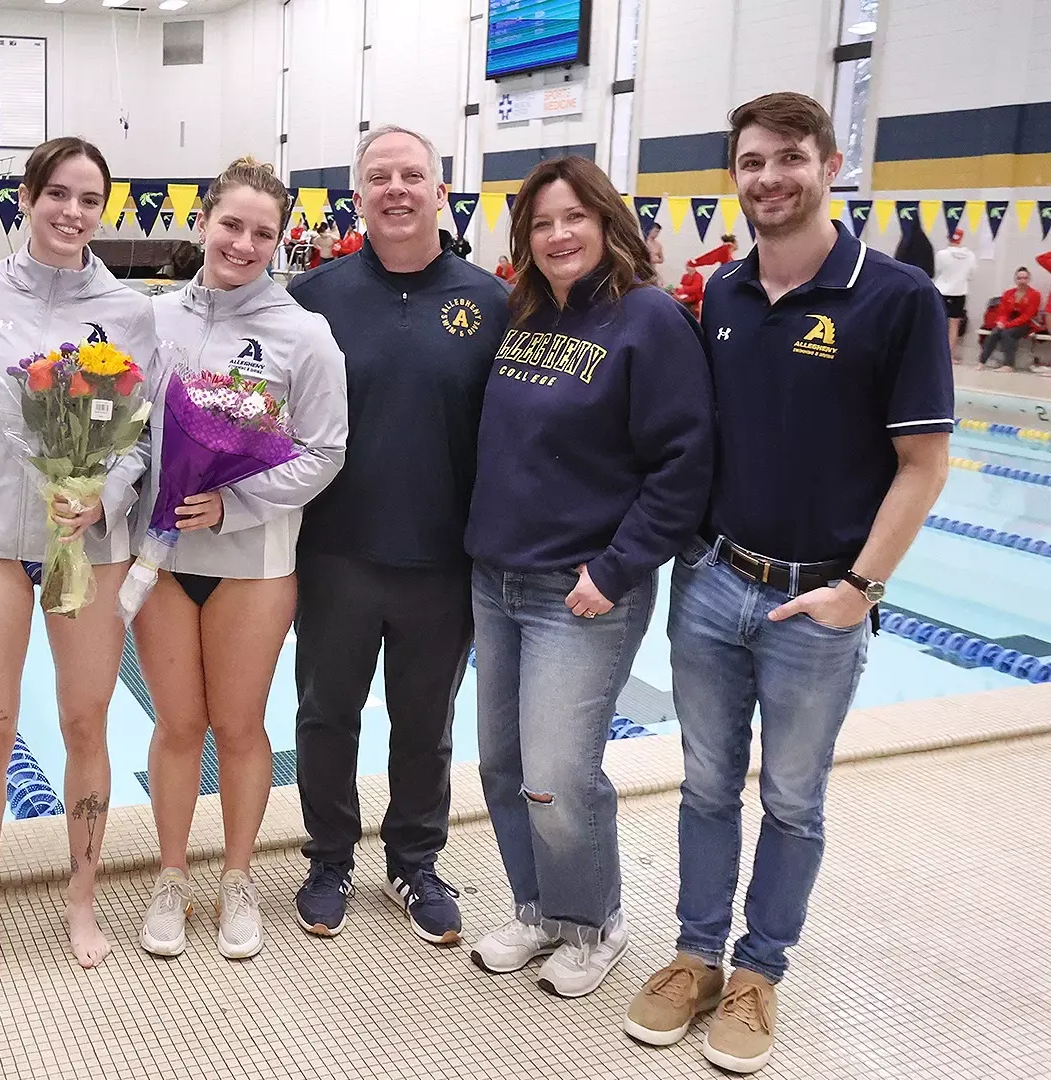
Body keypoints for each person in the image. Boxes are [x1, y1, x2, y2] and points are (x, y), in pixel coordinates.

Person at [623, 92, 951, 1075]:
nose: (769, 178)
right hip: (717, 581)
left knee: (794, 802)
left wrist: (860, 586)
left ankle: (760, 972)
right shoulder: (721, 294)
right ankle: (695, 955)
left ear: (831, 160)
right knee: (708, 787)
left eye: (789, 158)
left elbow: (924, 466)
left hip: (821, 600)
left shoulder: (896, 299)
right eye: (752, 162)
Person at [464, 155, 712, 1000]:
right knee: (502, 764)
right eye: (541, 223)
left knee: (559, 775)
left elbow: (685, 464)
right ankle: (537, 908)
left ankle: (594, 920)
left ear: (608, 223)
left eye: (574, 217)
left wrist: (616, 568)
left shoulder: (649, 320)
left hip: (579, 592)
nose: (558, 235)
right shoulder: (528, 313)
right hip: (496, 577)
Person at [0, 136, 157, 982]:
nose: (73, 212)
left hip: (91, 545)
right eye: (57, 194)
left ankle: (80, 897)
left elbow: (142, 434)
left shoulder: (130, 308)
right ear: (26, 197)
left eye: (89, 199)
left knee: (84, 724)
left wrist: (108, 494)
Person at [287, 125, 510, 945]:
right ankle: (329, 857)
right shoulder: (315, 296)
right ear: (359, 195)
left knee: (425, 722)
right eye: (378, 176)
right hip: (336, 551)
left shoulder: (491, 301)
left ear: (439, 191)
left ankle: (416, 862)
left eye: (412, 174)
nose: (396, 189)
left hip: (443, 560)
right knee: (326, 713)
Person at [133, 157, 348, 961]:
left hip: (253, 561)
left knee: (239, 723)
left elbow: (327, 450)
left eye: (264, 232)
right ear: (203, 222)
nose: (245, 242)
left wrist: (237, 502)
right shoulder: (153, 320)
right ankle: (171, 877)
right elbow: (126, 429)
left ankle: (237, 878)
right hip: (160, 552)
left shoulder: (304, 336)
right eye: (232, 224)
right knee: (178, 725)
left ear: (280, 240)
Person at [977, 266, 1042, 372]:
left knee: (1006, 333)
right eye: (1020, 278)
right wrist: (1001, 322)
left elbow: (1027, 316)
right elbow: (1002, 311)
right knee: (995, 332)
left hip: (1025, 323)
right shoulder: (1008, 293)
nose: (1022, 281)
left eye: (1025, 278)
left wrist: (1007, 325)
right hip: (1008, 320)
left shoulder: (1035, 294)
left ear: (1029, 279)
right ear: (1015, 279)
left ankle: (1008, 365)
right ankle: (982, 361)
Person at [932, 228, 976, 356]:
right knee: (954, 324)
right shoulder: (970, 255)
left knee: (937, 322)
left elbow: (937, 271)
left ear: (948, 237)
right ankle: (948, 354)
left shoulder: (941, 254)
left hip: (941, 290)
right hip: (960, 291)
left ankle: (934, 351)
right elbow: (971, 275)